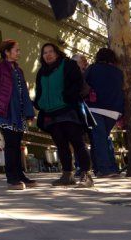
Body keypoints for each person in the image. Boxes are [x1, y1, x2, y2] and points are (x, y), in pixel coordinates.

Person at [34, 43, 93, 188]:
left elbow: (78, 83)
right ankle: (67, 175)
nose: (48, 55)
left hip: (68, 110)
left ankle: (86, 175)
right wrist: (39, 103)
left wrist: (68, 97)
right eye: (45, 52)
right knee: (61, 145)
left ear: (57, 53)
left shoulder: (68, 65)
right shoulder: (41, 72)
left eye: (51, 51)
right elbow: (39, 90)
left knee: (77, 142)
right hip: (50, 114)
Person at [0, 39, 38, 190]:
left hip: (18, 113)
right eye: (16, 50)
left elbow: (24, 92)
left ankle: (20, 174)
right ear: (7, 52)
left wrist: (29, 112)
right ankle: (11, 178)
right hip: (6, 112)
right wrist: (0, 98)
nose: (19, 53)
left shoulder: (18, 70)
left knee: (17, 144)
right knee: (11, 144)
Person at [84, 48, 124, 178]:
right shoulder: (119, 73)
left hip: (95, 107)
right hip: (114, 111)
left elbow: (83, 84)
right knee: (103, 138)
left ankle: (105, 169)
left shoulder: (92, 68)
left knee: (99, 139)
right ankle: (106, 167)